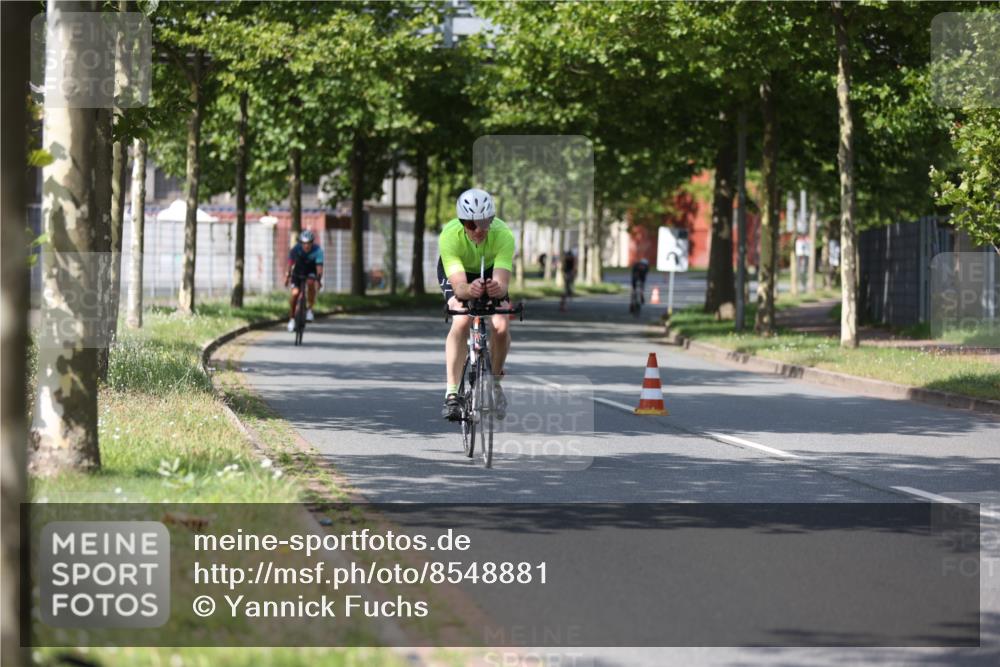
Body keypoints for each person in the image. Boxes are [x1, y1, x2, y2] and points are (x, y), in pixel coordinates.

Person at [438, 188, 515, 421]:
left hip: (490, 270)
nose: (479, 230)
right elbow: (460, 286)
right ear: (462, 223)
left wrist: (496, 289)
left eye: (484, 223)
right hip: (459, 274)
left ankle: (494, 382)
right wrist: (468, 291)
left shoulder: (503, 235)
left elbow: (502, 283)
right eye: (471, 225)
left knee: (501, 324)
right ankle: (452, 393)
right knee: (461, 318)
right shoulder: (449, 236)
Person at [285, 229, 324, 332]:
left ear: (312, 243)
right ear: (301, 243)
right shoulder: (295, 249)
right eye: (304, 243)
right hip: (298, 271)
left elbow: (319, 267)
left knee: (311, 283)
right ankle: (292, 319)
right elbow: (290, 263)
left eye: (309, 243)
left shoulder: (318, 250)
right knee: (295, 293)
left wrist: (319, 280)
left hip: (311, 271)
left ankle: (310, 309)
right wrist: (287, 275)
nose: (306, 246)